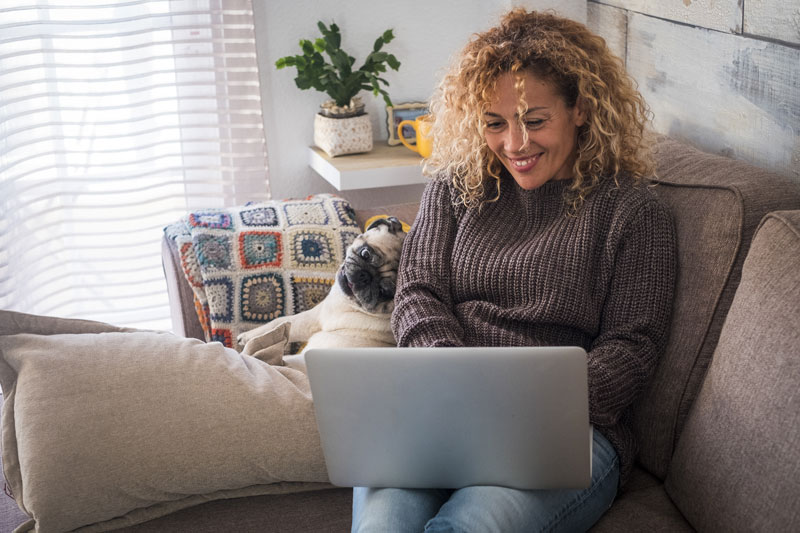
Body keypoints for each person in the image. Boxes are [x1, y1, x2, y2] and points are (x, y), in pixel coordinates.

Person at [351, 8, 677, 533]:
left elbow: (632, 347)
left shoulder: (634, 212)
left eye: (534, 120)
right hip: (443, 410)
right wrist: (455, 381)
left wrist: (525, 410)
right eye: (494, 123)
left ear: (582, 108)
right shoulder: (456, 188)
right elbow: (418, 292)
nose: (515, 145)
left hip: (567, 431)